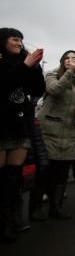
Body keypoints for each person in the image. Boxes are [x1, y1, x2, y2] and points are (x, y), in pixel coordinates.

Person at [0, 28, 45, 242]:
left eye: (21, 39)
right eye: (14, 39)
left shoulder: (23, 63)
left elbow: (37, 89)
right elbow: (5, 83)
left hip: (19, 125)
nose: (19, 43)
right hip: (1, 124)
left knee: (14, 176)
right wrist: (25, 66)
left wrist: (34, 68)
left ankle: (11, 221)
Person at [37, 50, 75, 219]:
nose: (70, 61)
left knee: (63, 171)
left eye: (74, 58)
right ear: (62, 61)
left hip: (69, 129)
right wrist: (69, 73)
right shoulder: (52, 74)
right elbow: (55, 90)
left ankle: (56, 207)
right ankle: (36, 208)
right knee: (46, 169)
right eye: (67, 58)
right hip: (50, 128)